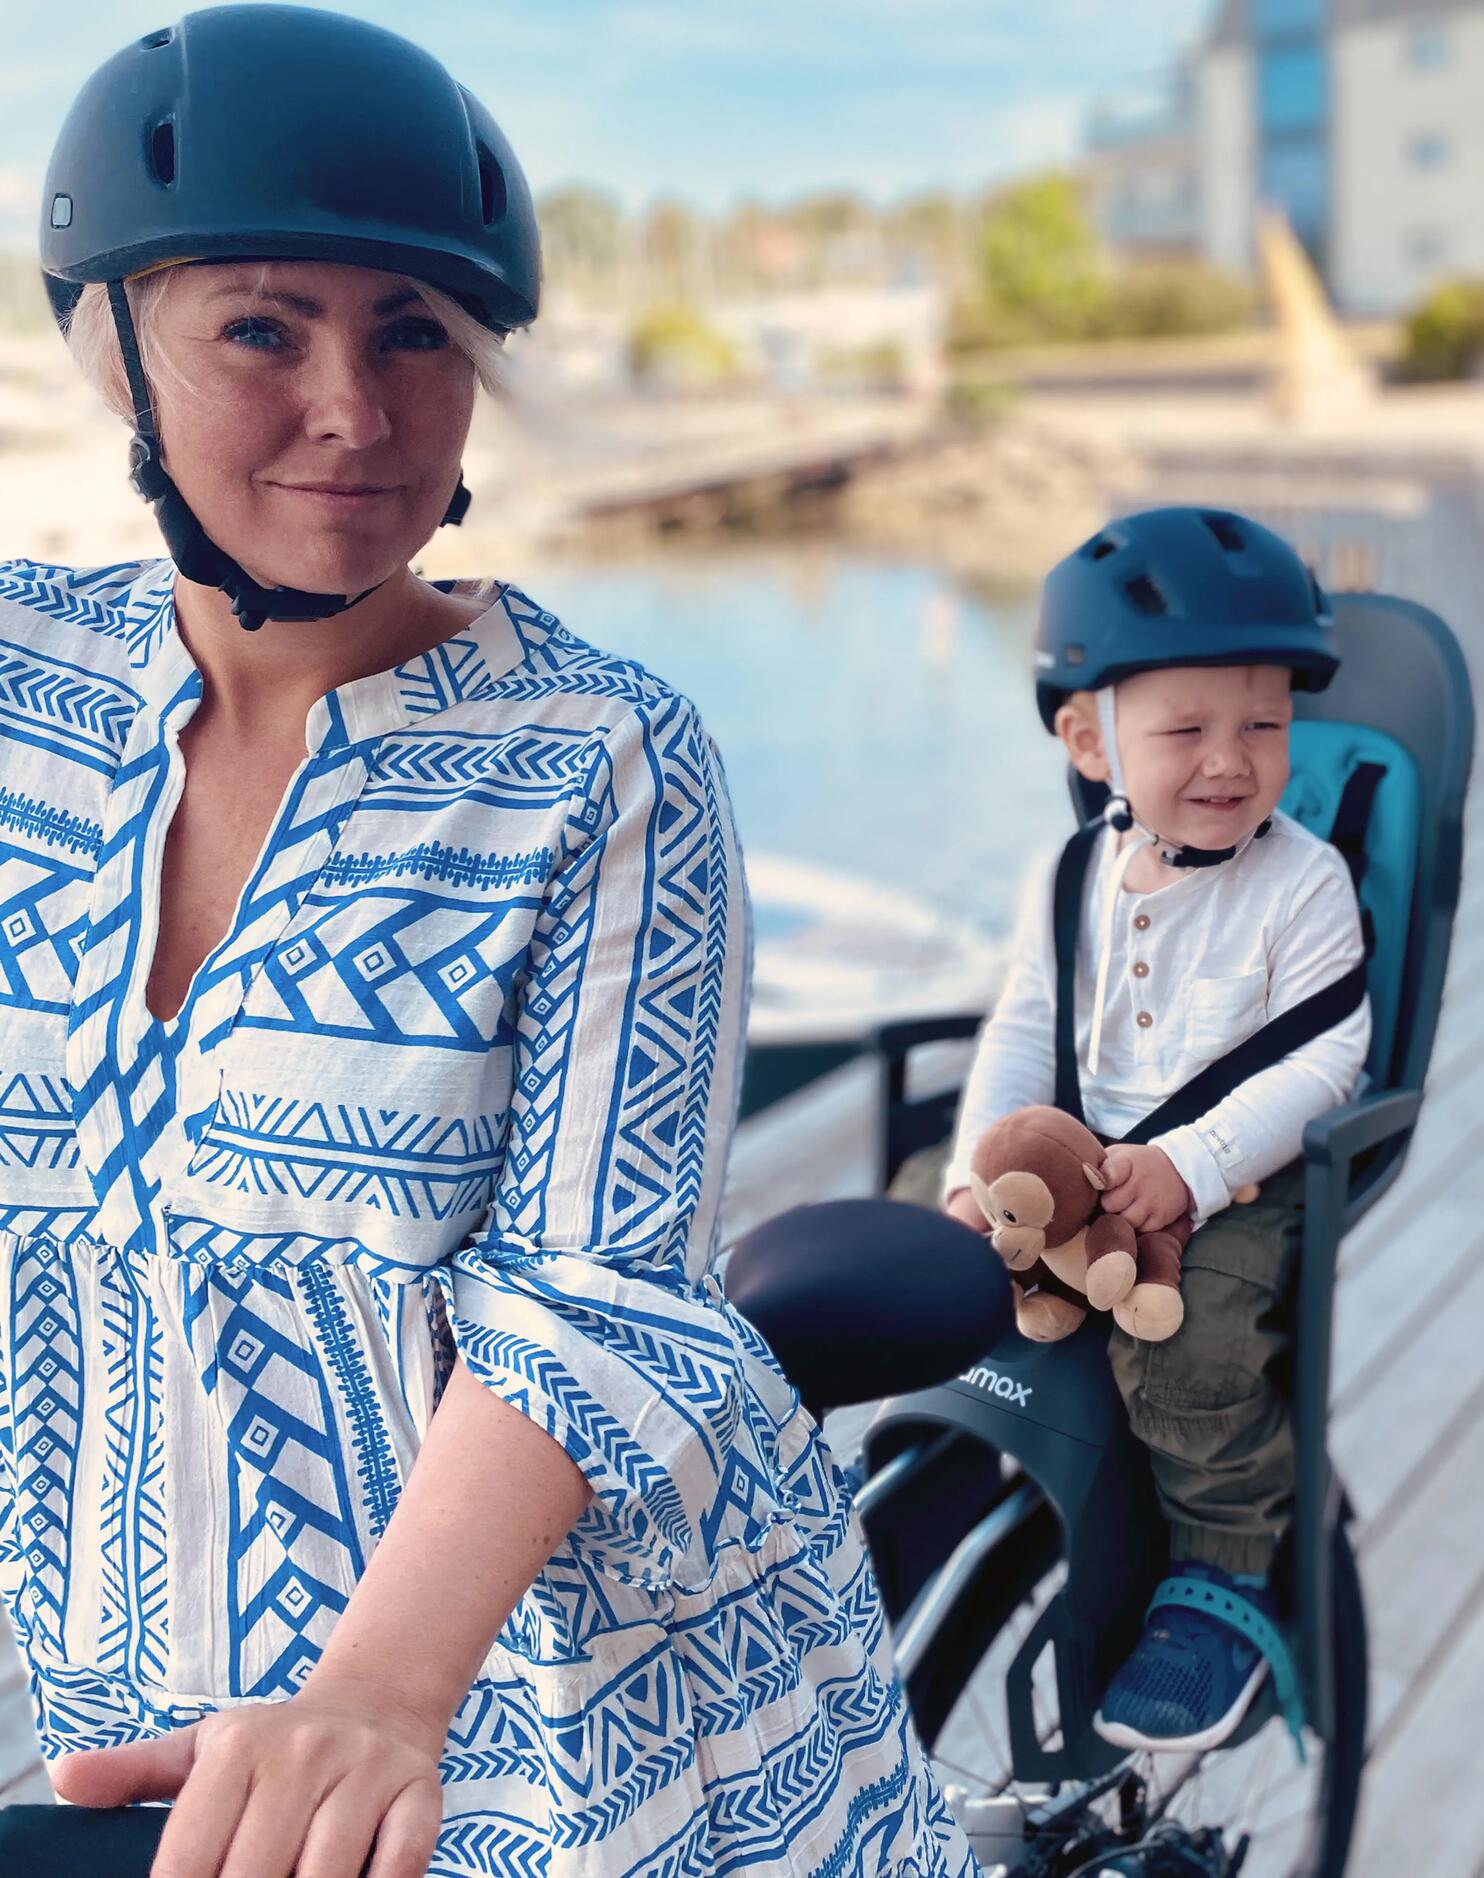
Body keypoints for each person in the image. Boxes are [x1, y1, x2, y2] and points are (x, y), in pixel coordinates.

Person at [1, 9, 974, 1875]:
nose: (355, 409)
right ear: (114, 349)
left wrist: (380, 1686)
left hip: (589, 1725)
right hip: (150, 1696)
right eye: (263, 328)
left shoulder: (600, 759)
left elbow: (590, 1287)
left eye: (417, 335)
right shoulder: (25, 688)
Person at [938, 507, 1372, 1754]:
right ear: (1090, 738)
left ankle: (1227, 1574)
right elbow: (1027, 1026)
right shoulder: (1072, 871)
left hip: (1246, 1168)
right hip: (1083, 1156)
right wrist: (984, 1169)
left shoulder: (1302, 884)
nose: (1232, 760)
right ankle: (954, 1491)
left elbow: (1328, 1057)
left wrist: (1192, 1167)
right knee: (922, 1224)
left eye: (1268, 725)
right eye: (1186, 729)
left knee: (1196, 1345)